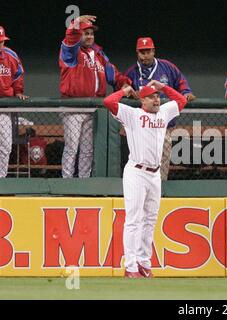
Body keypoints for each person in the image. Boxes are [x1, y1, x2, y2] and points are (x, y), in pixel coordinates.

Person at [103, 80, 187, 278]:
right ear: (143, 100)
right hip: (137, 172)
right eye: (151, 96)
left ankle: (144, 262)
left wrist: (162, 87)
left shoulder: (164, 112)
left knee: (150, 219)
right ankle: (130, 266)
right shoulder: (133, 114)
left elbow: (181, 100)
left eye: (157, 96)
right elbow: (108, 101)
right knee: (133, 219)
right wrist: (123, 91)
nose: (156, 99)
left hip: (154, 173)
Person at [59, 15, 131, 178]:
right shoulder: (71, 53)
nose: (89, 36)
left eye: (91, 33)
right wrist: (75, 23)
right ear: (79, 35)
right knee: (72, 147)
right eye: (86, 33)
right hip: (73, 107)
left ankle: (84, 182)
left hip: (93, 108)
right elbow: (70, 39)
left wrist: (125, 84)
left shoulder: (99, 55)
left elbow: (114, 75)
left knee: (87, 149)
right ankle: (67, 181)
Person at [125, 37, 196, 180]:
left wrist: (186, 92)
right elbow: (122, 90)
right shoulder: (132, 72)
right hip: (141, 123)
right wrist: (130, 94)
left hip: (162, 122)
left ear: (153, 51)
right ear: (137, 53)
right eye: (142, 52)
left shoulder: (166, 67)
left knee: (163, 154)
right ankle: (138, 181)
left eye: (148, 51)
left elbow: (181, 82)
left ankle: (161, 184)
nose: (145, 55)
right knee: (140, 157)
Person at [0, 25, 28, 178]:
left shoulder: (11, 55)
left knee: (5, 146)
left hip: (4, 107)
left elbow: (18, 75)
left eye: (2, 41)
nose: (0, 45)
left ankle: (1, 179)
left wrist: (18, 92)